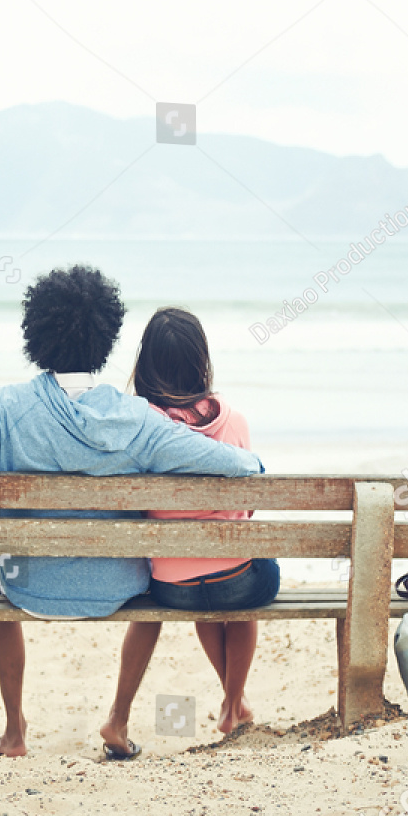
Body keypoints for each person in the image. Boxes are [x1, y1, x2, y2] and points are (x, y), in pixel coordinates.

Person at [0, 265, 263, 760]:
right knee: (150, 589)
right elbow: (232, 465)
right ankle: (118, 721)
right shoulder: (136, 418)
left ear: (35, 333)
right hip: (119, 587)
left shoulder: (5, 407)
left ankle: (15, 731)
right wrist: (252, 461)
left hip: (25, 585)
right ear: (106, 337)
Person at [118, 307, 280, 736]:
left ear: (146, 363)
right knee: (244, 588)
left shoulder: (141, 427)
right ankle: (231, 703)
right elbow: (248, 507)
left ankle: (235, 702)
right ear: (201, 360)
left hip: (174, 589)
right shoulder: (236, 421)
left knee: (204, 592)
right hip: (238, 580)